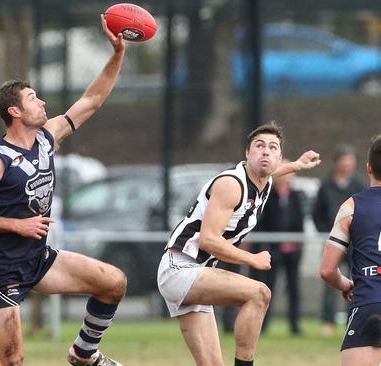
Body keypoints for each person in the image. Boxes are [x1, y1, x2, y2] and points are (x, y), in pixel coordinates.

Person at [0, 15, 126, 366]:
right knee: (13, 360)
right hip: (1, 267)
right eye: (33, 98)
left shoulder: (48, 137)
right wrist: (17, 225)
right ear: (15, 111)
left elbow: (92, 100)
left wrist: (118, 52)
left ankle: (83, 353)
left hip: (38, 258)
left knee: (114, 282)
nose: (42, 103)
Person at [156, 121, 321, 366]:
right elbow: (209, 240)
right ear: (247, 153)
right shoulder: (231, 184)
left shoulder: (262, 183)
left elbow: (271, 172)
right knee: (259, 293)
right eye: (259, 146)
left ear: (279, 156)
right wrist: (252, 258)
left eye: (273, 147)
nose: (266, 151)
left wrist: (296, 165)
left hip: (197, 273)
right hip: (180, 268)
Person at [319, 133, 381, 366]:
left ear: (369, 168)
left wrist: (346, 285)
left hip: (371, 301)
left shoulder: (351, 206)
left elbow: (327, 270)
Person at [313, 144, 366, 335]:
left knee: (356, 281)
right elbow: (316, 213)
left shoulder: (359, 186)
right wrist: (327, 233)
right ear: (337, 163)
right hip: (333, 242)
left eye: (350, 162)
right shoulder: (326, 186)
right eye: (344, 162)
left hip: (354, 244)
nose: (347, 166)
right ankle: (327, 321)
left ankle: (352, 319)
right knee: (330, 279)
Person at [252, 161, 305, 334]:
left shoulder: (296, 196)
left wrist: (297, 243)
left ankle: (295, 325)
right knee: (269, 287)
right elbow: (261, 222)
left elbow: (300, 221)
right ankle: (263, 325)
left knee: (294, 288)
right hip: (273, 249)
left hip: (292, 250)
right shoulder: (268, 196)